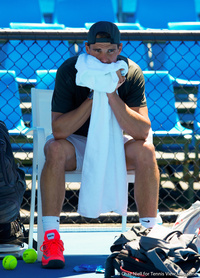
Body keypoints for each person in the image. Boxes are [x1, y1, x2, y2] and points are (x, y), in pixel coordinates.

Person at [39, 21, 160, 269]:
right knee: (53, 149)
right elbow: (59, 131)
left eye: (110, 51)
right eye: (97, 50)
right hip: (77, 144)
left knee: (146, 150)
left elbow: (141, 131)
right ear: (86, 48)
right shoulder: (70, 70)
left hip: (118, 142)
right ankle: (51, 238)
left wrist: (111, 93)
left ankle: (150, 236)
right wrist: (96, 93)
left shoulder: (132, 71)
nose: (104, 58)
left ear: (120, 48)